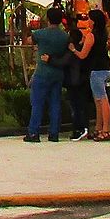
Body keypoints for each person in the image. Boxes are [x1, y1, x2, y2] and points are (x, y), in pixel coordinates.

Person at [26, 8, 72, 142]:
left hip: (42, 72)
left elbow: (29, 40)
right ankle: (54, 133)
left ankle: (34, 132)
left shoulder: (41, 34)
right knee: (55, 103)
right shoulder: (64, 36)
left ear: (48, 19)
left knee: (37, 103)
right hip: (58, 73)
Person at [64, 11, 97, 141]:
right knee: (83, 106)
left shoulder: (73, 52)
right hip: (83, 80)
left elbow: (65, 62)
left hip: (75, 81)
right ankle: (85, 128)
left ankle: (79, 129)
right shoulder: (83, 48)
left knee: (76, 107)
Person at [87, 8, 110, 141]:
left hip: (96, 70)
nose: (88, 21)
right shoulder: (103, 34)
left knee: (102, 100)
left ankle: (106, 129)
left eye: (89, 19)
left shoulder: (91, 36)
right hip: (104, 68)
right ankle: (99, 127)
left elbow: (83, 54)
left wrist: (73, 49)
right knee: (98, 100)